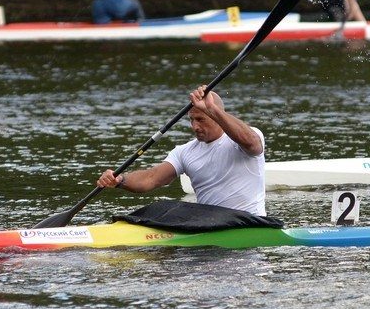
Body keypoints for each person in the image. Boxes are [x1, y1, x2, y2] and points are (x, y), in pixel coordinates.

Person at [97, 86, 267, 215]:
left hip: (250, 222)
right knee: (164, 208)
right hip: (211, 224)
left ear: (218, 114)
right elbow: (151, 178)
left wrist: (213, 109)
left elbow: (252, 145)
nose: (195, 126)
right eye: (191, 120)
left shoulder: (248, 137)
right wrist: (120, 180)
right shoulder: (185, 152)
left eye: (200, 119)